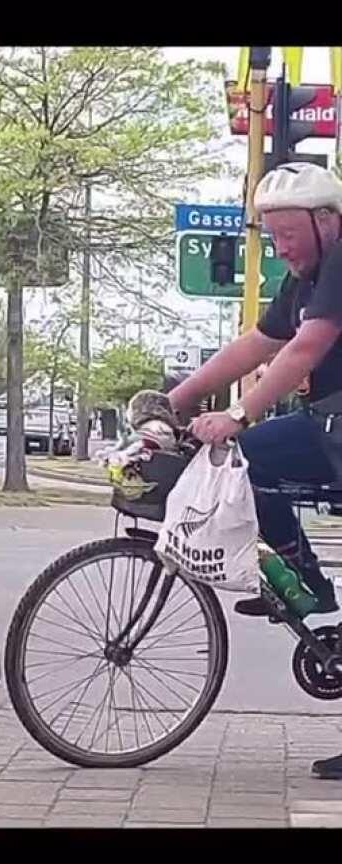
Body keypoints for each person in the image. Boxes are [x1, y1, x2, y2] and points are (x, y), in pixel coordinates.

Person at [168, 162, 342, 779]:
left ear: (327, 222)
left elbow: (306, 349)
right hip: (328, 425)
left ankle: (308, 581)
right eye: (271, 235)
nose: (280, 247)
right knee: (253, 460)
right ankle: (307, 580)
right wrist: (178, 400)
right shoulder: (308, 275)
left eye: (288, 233)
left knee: (251, 446)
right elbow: (258, 343)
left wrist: (238, 413)